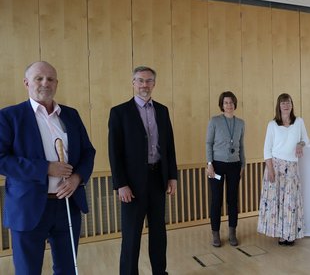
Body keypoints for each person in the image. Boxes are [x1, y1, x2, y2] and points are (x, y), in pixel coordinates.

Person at [0, 61, 96, 274]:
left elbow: (89, 152)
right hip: (28, 208)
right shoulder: (9, 116)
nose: (45, 83)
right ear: (26, 83)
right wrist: (44, 168)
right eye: (39, 78)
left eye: (50, 79)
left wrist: (77, 177)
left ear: (56, 83)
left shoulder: (71, 115)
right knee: (28, 270)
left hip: (67, 206)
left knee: (67, 269)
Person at [108, 66, 178, 274]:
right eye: (140, 80)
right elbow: (115, 152)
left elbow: (169, 147)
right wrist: (121, 184)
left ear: (154, 84)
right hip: (132, 184)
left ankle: (160, 271)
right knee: (131, 235)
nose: (144, 85)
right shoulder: (119, 112)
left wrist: (172, 177)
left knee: (158, 232)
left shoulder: (163, 110)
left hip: (158, 178)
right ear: (133, 83)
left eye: (148, 81)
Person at [257, 93, 309, 246]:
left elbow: (306, 138)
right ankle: (280, 233)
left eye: (288, 102)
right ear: (278, 106)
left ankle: (290, 234)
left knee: (290, 202)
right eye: (283, 103)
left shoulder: (299, 122)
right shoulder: (272, 124)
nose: (286, 105)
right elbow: (267, 149)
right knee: (277, 201)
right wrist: (270, 170)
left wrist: (300, 144)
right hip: (275, 166)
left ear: (292, 105)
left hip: (292, 167)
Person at [206, 91, 245, 247]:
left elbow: (241, 146)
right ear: (222, 105)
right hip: (216, 166)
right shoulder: (214, 121)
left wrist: (243, 164)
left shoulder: (241, 123)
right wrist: (209, 164)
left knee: (232, 200)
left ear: (235, 104)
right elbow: (208, 143)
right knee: (216, 200)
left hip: (234, 166)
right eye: (226, 102)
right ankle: (215, 234)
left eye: (231, 102)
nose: (229, 105)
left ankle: (232, 233)